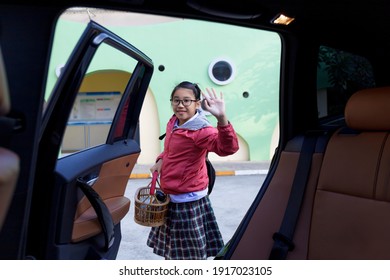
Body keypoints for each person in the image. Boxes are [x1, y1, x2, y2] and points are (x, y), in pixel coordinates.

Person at [147, 81, 239, 260]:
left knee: (189, 257)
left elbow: (228, 148)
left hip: (188, 202)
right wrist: (161, 160)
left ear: (197, 103)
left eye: (186, 101)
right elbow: (170, 149)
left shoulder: (202, 131)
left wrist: (222, 118)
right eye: (176, 100)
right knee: (174, 253)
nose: (180, 105)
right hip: (171, 196)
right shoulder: (174, 122)